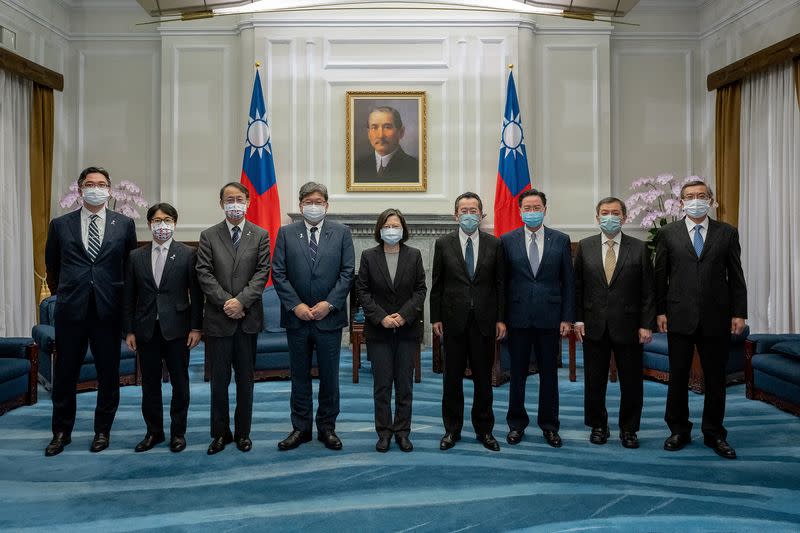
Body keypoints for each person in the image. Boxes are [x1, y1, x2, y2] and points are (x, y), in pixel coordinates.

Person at [43, 166, 138, 456]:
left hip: (108, 311)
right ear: (80, 188)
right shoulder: (60, 224)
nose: (95, 188)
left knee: (108, 373)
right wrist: (69, 292)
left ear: (109, 190)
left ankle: (102, 431)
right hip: (71, 311)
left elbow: (129, 268)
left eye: (100, 184)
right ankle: (61, 432)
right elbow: (52, 268)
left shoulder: (124, 224)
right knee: (65, 374)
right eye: (89, 183)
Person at [655, 180, 747, 459]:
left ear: (711, 200)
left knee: (716, 378)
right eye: (690, 196)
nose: (696, 200)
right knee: (678, 377)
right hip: (678, 316)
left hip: (716, 317)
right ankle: (678, 429)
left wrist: (739, 312)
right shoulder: (668, 233)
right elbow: (660, 276)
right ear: (681, 202)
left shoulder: (727, 233)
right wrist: (659, 312)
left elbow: (736, 276)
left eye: (701, 195)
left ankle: (714, 432)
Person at [273, 182, 355, 451]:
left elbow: (347, 273)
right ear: (300, 205)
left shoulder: (341, 233)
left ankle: (327, 428)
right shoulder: (286, 234)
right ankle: (301, 428)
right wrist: (295, 305)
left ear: (327, 205)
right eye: (308, 201)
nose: (313, 206)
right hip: (297, 319)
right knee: (299, 376)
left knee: (330, 376)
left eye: (318, 201)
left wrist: (329, 304)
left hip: (329, 319)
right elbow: (279, 273)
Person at [573, 197, 654, 449]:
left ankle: (629, 429)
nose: (610, 217)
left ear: (625, 217)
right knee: (594, 381)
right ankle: (598, 425)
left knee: (631, 382)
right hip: (593, 324)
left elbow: (648, 291)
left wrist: (646, 324)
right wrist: (577, 320)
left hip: (629, 326)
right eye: (605, 213)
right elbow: (577, 288)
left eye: (615, 213)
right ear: (597, 218)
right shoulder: (584, 247)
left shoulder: (640, 248)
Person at [196, 182, 270, 455]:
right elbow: (203, 273)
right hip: (219, 318)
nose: (235, 203)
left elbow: (262, 273)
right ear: (221, 203)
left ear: (248, 202)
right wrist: (227, 302)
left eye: (239, 199)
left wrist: (241, 302)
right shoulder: (208, 235)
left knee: (245, 380)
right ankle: (219, 433)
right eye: (229, 199)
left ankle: (243, 433)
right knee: (219, 381)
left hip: (247, 318)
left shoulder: (260, 234)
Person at [123, 203, 203, 453]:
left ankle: (178, 433)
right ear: (149, 225)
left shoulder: (189, 254)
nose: (162, 225)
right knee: (150, 385)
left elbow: (197, 294)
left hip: (178, 330)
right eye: (157, 220)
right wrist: (129, 330)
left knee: (180, 383)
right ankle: (153, 432)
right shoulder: (136, 256)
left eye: (167, 220)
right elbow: (128, 296)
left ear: (175, 224)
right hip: (146, 329)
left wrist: (196, 328)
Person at [431, 192, 505, 452]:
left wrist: (500, 319)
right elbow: (437, 284)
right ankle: (452, 430)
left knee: (484, 379)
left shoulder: (494, 244)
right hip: (453, 322)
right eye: (464, 210)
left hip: (485, 322)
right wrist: (435, 318)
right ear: (456, 215)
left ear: (482, 215)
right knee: (451, 380)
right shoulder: (443, 244)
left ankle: (484, 430)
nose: (469, 214)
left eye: (474, 210)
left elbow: (500, 285)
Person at [502, 189, 574, 448]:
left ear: (545, 209)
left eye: (536, 207)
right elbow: (502, 283)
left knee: (549, 376)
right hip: (518, 318)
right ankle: (516, 424)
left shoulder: (561, 240)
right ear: (519, 211)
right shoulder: (506, 240)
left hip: (550, 318)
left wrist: (568, 317)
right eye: (527, 208)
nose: (531, 212)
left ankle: (550, 426)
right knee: (517, 374)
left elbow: (568, 282)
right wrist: (501, 318)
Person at [356, 209, 427, 453]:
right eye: (387, 226)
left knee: (405, 386)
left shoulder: (415, 255)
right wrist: (381, 317)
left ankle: (402, 432)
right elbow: (362, 292)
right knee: (382, 385)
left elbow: (420, 290)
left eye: (396, 226)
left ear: (403, 229)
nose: (392, 230)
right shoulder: (368, 256)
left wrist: (404, 315)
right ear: (379, 229)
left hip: (407, 331)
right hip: (379, 332)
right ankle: (384, 432)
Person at [354, 106, 419, 183]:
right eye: (374, 127)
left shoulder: (416, 168)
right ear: (369, 133)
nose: (380, 135)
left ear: (401, 132)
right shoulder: (357, 167)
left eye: (387, 127)